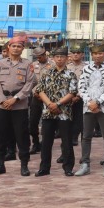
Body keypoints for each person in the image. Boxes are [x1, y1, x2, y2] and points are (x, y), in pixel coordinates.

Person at [0, 36, 37, 176]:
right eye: (13, 46)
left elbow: (29, 84)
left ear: (23, 49)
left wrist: (15, 99)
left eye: (19, 46)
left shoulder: (28, 64)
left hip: (19, 106)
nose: (16, 48)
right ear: (8, 48)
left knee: (22, 137)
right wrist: (3, 100)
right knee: (1, 135)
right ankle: (0, 165)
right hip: (2, 105)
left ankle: (24, 165)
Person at [33, 46, 78, 177]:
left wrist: (58, 104)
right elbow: (40, 90)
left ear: (66, 58)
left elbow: (72, 92)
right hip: (48, 112)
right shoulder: (46, 73)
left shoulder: (71, 74)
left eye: (62, 57)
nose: (59, 59)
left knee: (67, 141)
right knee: (46, 141)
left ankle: (68, 167)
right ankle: (44, 168)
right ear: (53, 58)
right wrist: (49, 104)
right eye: (57, 57)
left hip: (64, 112)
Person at [75, 43, 104, 177]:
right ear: (91, 55)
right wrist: (89, 102)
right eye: (95, 54)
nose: (98, 56)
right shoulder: (86, 69)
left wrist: (98, 102)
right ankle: (85, 164)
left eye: (100, 53)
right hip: (88, 108)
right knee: (86, 136)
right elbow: (81, 87)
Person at [67, 44, 86, 146]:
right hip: (67, 99)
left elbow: (87, 84)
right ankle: (69, 141)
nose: (75, 55)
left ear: (82, 54)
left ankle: (83, 146)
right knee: (67, 122)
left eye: (78, 53)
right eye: (73, 53)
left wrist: (78, 96)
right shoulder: (66, 67)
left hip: (81, 99)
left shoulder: (87, 67)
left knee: (81, 122)